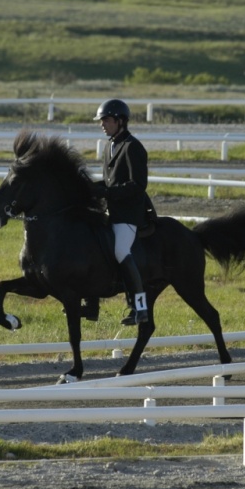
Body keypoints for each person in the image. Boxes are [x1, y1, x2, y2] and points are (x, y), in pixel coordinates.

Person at [82, 99, 150, 326]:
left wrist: (107, 193)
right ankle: (91, 306)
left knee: (121, 251)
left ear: (120, 121)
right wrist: (92, 187)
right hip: (111, 212)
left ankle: (139, 308)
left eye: (107, 120)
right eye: (101, 121)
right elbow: (110, 180)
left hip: (129, 216)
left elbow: (138, 185)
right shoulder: (110, 146)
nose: (102, 125)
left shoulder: (133, 147)